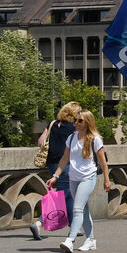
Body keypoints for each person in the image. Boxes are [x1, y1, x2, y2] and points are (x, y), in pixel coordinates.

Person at [45, 110, 111, 253]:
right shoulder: (71, 137)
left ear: (87, 122)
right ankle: (91, 240)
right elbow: (64, 159)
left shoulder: (95, 139)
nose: (76, 123)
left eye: (80, 121)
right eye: (76, 120)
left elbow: (103, 162)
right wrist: (55, 176)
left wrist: (107, 180)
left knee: (77, 209)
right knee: (83, 209)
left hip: (88, 177)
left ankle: (70, 240)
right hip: (73, 178)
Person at [30, 101, 81, 240]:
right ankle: (39, 222)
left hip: (51, 163)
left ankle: (73, 226)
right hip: (65, 164)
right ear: (74, 114)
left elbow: (41, 142)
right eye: (78, 113)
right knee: (62, 195)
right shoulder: (73, 127)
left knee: (68, 194)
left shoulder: (52, 123)